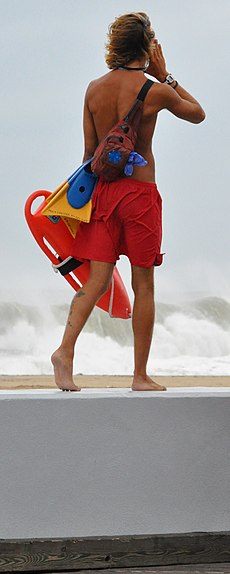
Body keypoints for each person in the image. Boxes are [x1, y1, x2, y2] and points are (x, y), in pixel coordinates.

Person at [51, 12, 205, 392]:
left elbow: (89, 152)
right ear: (148, 47)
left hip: (102, 194)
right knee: (144, 284)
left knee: (98, 279)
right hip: (139, 196)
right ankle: (139, 375)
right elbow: (198, 115)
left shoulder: (93, 89)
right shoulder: (156, 91)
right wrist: (166, 74)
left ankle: (64, 352)